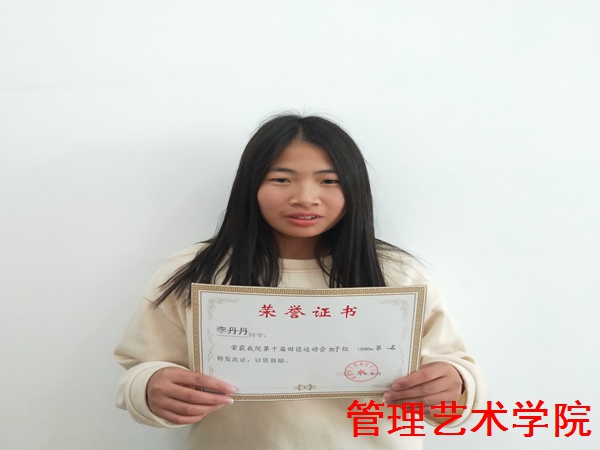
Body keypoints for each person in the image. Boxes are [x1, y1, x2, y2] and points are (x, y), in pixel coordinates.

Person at [115, 114, 486, 449]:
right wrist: (150, 386)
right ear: (250, 186)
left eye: (329, 181)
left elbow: (454, 378)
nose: (305, 198)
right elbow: (142, 366)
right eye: (281, 179)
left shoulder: (397, 275)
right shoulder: (197, 271)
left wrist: (454, 384)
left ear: (354, 189)